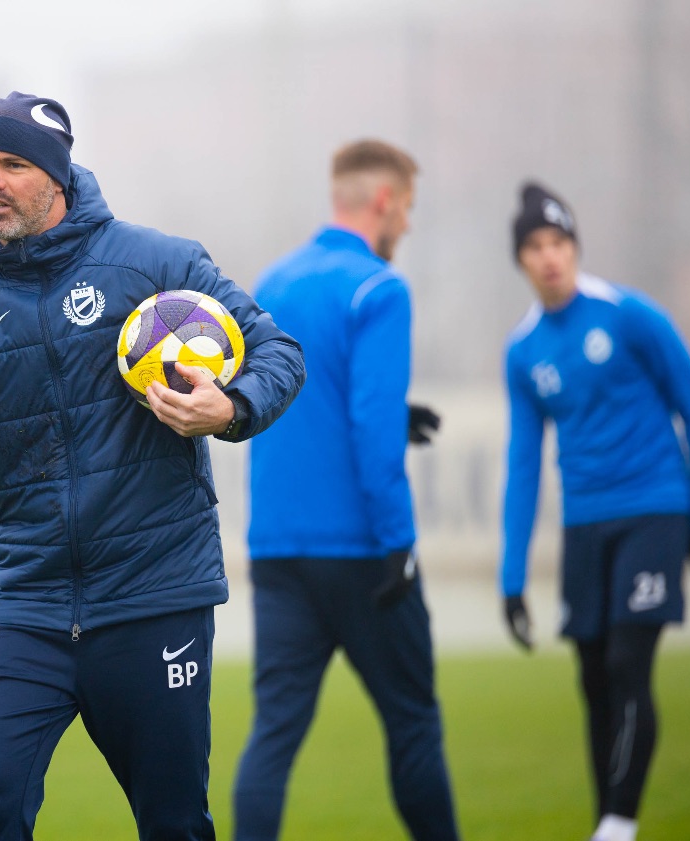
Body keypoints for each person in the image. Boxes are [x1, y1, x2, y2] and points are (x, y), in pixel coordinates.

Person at [0, 91, 305, 840]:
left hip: (153, 596)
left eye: (12, 164)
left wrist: (230, 408)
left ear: (57, 177)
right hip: (26, 604)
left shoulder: (157, 264)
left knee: (174, 823)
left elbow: (277, 351)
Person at [233, 139, 460, 841]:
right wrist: (399, 543)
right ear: (385, 201)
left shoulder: (271, 282)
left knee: (273, 734)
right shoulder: (380, 289)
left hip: (278, 550)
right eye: (409, 209)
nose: (408, 225)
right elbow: (367, 427)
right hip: (363, 553)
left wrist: (393, 412)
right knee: (413, 723)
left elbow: (291, 395)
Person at [499, 182, 690, 841]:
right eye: (536, 246)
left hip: (653, 508)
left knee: (628, 664)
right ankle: (610, 822)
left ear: (575, 248)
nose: (550, 257)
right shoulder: (523, 350)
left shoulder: (630, 316)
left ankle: (618, 823)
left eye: (559, 242)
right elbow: (522, 466)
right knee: (595, 679)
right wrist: (511, 579)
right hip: (584, 524)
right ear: (521, 259)